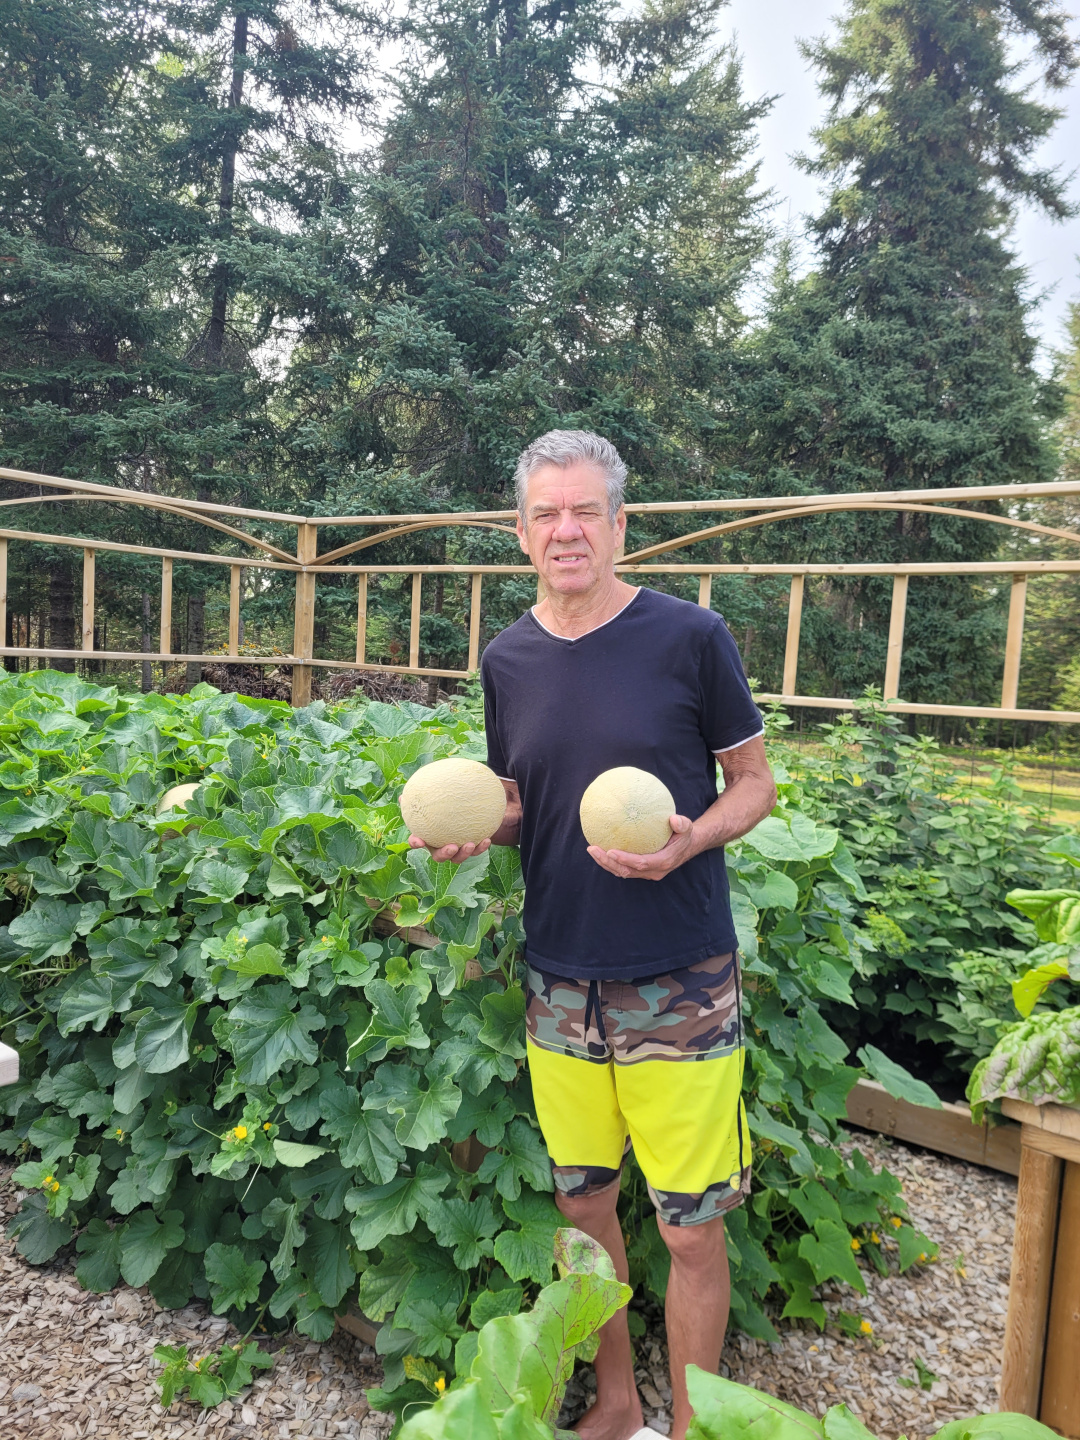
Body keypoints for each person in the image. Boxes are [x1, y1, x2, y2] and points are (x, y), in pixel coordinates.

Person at [407, 429, 777, 1440]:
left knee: (691, 1226)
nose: (565, 530)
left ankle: (698, 1429)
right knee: (584, 1210)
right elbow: (527, 798)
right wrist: (481, 822)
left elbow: (755, 784)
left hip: (679, 977)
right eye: (545, 514)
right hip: (559, 978)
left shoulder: (689, 639)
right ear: (521, 532)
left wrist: (689, 839)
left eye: (585, 512)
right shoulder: (507, 658)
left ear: (620, 525)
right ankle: (617, 1404)